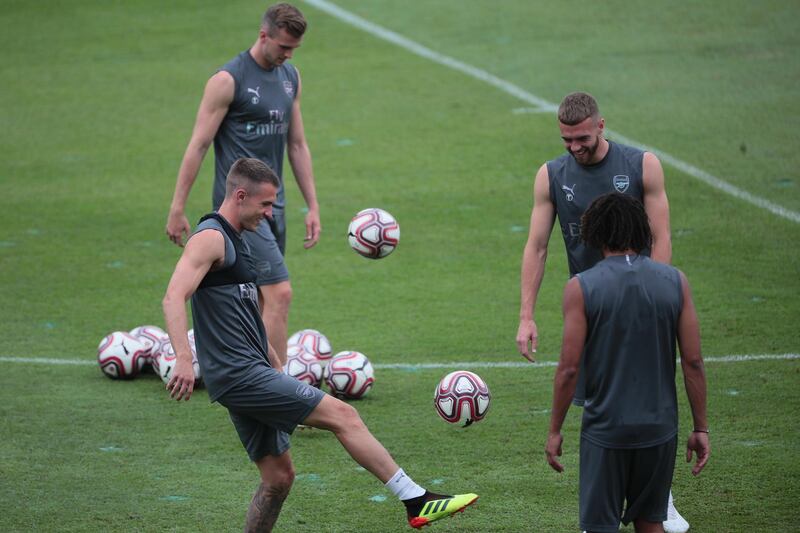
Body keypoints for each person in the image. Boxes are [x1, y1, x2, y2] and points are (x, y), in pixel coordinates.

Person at [162, 158, 478, 532]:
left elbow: (245, 317)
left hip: (252, 371)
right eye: (265, 204)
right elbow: (173, 296)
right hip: (239, 376)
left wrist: (275, 361)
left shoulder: (239, 242)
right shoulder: (210, 238)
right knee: (344, 417)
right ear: (241, 195)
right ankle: (416, 500)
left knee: (279, 478)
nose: (270, 214)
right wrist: (184, 357)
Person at [515, 92, 688, 532]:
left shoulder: (642, 165)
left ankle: (658, 499)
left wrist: (654, 294)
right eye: (567, 139)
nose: (574, 147)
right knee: (598, 402)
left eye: (582, 138)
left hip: (644, 304)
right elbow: (537, 245)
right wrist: (526, 315)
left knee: (647, 396)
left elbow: (661, 235)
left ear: (602, 126)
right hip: (590, 307)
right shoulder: (551, 175)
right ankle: (633, 500)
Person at [166, 3, 320, 369]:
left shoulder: (290, 77)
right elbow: (199, 144)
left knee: (262, 302)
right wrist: (177, 206)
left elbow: (296, 144)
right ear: (263, 35)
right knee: (280, 294)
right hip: (241, 212)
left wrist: (312, 205)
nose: (287, 54)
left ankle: (253, 381)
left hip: (272, 207)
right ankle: (282, 393)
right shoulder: (228, 80)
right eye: (283, 46)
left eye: (294, 49)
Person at [544, 193, 710, 533]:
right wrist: (700, 427)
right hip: (660, 430)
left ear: (595, 233)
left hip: (607, 431)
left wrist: (555, 429)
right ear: (641, 230)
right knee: (651, 523)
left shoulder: (581, 287)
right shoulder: (676, 282)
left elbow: (569, 369)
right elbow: (692, 362)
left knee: (600, 526)